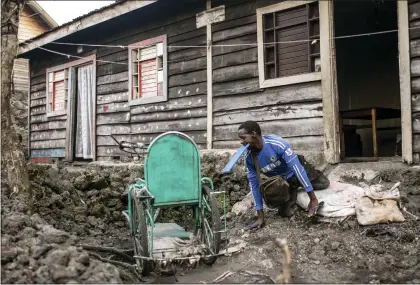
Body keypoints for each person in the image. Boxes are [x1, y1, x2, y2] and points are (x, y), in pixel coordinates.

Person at [238, 120, 330, 229]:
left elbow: (297, 169)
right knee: (285, 212)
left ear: (253, 134)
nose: (241, 142)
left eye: (243, 138)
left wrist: (313, 198)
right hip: (284, 181)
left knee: (324, 183)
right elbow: (254, 185)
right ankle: (295, 189)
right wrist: (260, 217)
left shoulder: (277, 144)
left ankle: (310, 177)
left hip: (296, 169)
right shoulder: (249, 157)